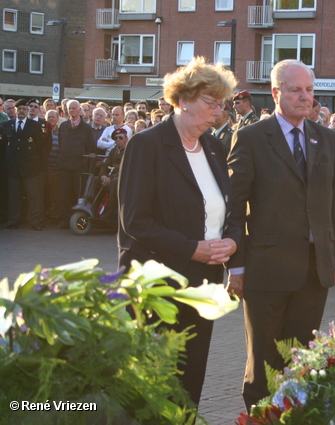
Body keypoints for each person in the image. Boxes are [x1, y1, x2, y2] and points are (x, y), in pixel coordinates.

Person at [118, 57, 241, 406]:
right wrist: (192, 248)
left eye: (221, 105)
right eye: (210, 103)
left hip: (204, 282)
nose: (217, 113)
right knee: (152, 381)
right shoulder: (147, 145)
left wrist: (231, 239)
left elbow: (229, 207)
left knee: (191, 376)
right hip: (156, 284)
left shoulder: (215, 147)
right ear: (183, 99)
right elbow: (135, 221)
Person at [226, 59, 335, 411]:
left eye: (309, 90)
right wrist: (236, 266)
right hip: (266, 269)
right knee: (263, 364)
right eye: (295, 90)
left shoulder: (325, 137)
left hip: (313, 270)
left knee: (301, 361)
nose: (305, 97)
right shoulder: (249, 138)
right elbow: (235, 206)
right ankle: (260, 417)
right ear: (276, 93)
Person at [1, 99, 46, 230]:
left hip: (31, 167)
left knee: (33, 196)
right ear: (15, 110)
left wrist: (41, 166)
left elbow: (40, 147)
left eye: (24, 109)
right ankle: (13, 220)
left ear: (28, 111)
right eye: (19, 109)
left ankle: (34, 221)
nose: (21, 111)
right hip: (13, 167)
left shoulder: (34, 125)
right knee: (14, 196)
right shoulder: (8, 125)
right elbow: (5, 147)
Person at [57, 100, 95, 229]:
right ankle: (64, 220)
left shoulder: (87, 129)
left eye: (74, 108)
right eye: (70, 108)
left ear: (80, 110)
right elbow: (60, 144)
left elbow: (91, 149)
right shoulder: (63, 126)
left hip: (79, 167)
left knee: (77, 195)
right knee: (63, 195)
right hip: (64, 166)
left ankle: (76, 220)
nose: (72, 110)